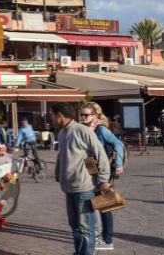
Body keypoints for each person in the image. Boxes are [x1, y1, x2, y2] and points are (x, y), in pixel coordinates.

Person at [52, 102, 111, 255]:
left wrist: (102, 179)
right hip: (68, 187)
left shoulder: (83, 131)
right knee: (74, 225)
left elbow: (99, 154)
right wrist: (59, 174)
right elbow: (65, 156)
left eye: (52, 115)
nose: (51, 118)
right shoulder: (62, 133)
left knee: (86, 228)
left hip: (83, 188)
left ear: (59, 115)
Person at [80, 103, 125, 251]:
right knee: (97, 203)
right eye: (82, 114)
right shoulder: (88, 129)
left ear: (95, 115)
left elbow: (118, 144)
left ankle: (108, 240)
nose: (82, 117)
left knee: (105, 204)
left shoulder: (101, 129)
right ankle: (100, 236)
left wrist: (118, 164)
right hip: (91, 168)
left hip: (102, 171)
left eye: (86, 115)